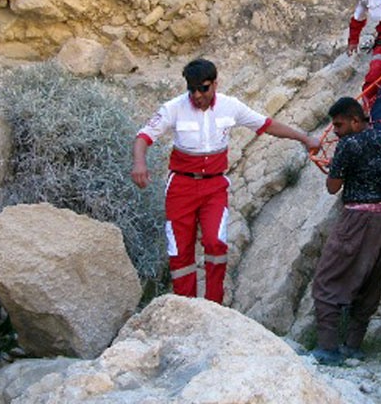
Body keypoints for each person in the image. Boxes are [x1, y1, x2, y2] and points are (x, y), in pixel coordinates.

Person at [131, 58, 320, 304]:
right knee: (179, 251)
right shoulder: (173, 108)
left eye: (204, 88)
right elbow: (144, 136)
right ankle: (184, 307)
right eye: (192, 90)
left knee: (215, 243)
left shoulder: (231, 106)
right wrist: (139, 163)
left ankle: (213, 306)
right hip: (181, 187)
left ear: (215, 84)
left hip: (214, 186)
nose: (198, 95)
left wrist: (304, 138)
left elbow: (266, 125)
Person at [311, 96, 381, 366]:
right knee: (371, 283)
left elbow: (333, 187)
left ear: (356, 121)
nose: (336, 131)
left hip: (357, 218)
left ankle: (327, 348)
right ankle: (353, 346)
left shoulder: (349, 144)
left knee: (327, 280)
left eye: (339, 125)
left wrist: (341, 168)